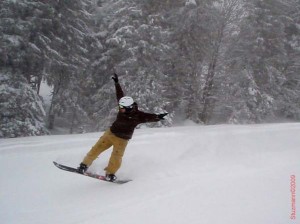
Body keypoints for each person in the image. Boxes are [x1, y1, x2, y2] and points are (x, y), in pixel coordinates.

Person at [77, 73, 168, 181]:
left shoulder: (138, 116)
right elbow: (120, 95)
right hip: (110, 133)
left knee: (116, 157)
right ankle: (83, 165)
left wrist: (158, 117)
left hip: (122, 140)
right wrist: (117, 83)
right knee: (96, 149)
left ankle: (110, 174)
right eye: (120, 106)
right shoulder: (123, 107)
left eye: (122, 107)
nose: (120, 109)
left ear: (129, 107)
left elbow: (150, 117)